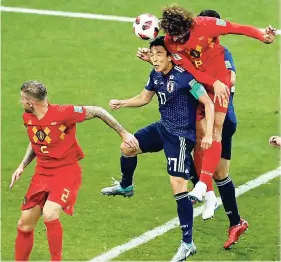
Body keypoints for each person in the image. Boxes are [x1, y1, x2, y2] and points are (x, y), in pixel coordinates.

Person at [101, 36, 215, 261]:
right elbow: (144, 98)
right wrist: (122, 103)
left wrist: (209, 134)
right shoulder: (155, 74)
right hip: (162, 128)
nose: (154, 58)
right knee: (127, 146)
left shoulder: (185, 79)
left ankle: (187, 243)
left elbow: (208, 103)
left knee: (177, 185)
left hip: (181, 136)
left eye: (159, 54)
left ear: (170, 56)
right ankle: (126, 186)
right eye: (152, 54)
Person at [160, 4, 276, 208]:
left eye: (179, 34)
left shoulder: (206, 25)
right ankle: (209, 192)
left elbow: (237, 28)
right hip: (203, 85)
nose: (176, 39)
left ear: (187, 26)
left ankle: (203, 184)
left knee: (216, 131)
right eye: (172, 35)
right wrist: (211, 82)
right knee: (198, 134)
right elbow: (189, 69)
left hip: (220, 83)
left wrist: (261, 36)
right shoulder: (170, 42)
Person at [11, 80, 139, 261]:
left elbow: (99, 111)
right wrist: (22, 165)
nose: (21, 102)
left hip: (66, 172)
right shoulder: (28, 117)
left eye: (23, 99)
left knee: (49, 213)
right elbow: (36, 141)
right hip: (42, 174)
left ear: (31, 102)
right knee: (24, 224)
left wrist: (124, 133)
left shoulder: (64, 113)